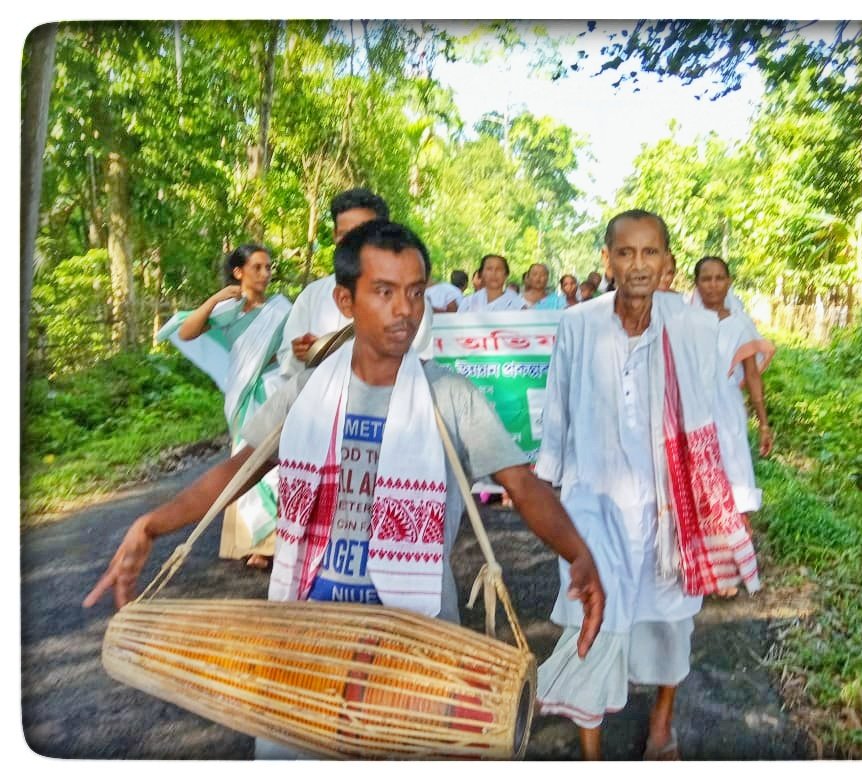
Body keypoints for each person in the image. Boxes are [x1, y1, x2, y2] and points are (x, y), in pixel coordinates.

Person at [84, 219, 605, 759]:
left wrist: (578, 554)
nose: (405, 309)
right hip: (304, 642)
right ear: (345, 299)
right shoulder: (307, 394)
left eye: (415, 292)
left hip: (417, 648)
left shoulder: (449, 394)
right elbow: (238, 470)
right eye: (384, 292)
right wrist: (152, 524)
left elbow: (522, 484)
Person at [533, 210, 760, 761]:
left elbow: (718, 419)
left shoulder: (694, 328)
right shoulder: (579, 324)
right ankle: (592, 752)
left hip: (670, 507)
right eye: (626, 253)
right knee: (590, 617)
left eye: (650, 253)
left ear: (666, 263)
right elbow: (558, 411)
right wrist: (549, 497)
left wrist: (736, 506)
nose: (638, 265)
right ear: (607, 260)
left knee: (670, 623)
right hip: (593, 501)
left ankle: (661, 721)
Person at [159, 244, 290, 569]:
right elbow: (188, 332)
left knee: (279, 463)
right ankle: (256, 544)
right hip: (245, 395)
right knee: (247, 463)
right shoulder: (228, 310)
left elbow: (296, 346)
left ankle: (283, 543)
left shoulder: (282, 308)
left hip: (277, 390)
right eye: (257, 267)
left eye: (268, 267)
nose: (264, 273)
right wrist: (216, 299)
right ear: (238, 272)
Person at [275, 188, 389, 377]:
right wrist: (299, 354)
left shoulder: (407, 299)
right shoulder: (312, 296)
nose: (352, 242)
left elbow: (417, 363)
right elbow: (286, 364)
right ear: (335, 235)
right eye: (345, 234)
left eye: (362, 233)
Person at [692, 256, 775, 512]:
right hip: (693, 410)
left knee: (734, 468)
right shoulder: (684, 322)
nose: (713, 285)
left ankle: (739, 535)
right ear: (696, 284)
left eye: (719, 278)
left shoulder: (739, 324)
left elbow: (752, 375)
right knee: (696, 476)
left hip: (728, 410)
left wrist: (763, 424)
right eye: (706, 279)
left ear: (729, 282)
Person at [457, 254, 524, 312]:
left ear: (506, 275)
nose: (494, 273)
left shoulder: (518, 305)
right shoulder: (468, 303)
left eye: (499, 269)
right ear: (481, 274)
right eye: (489, 269)